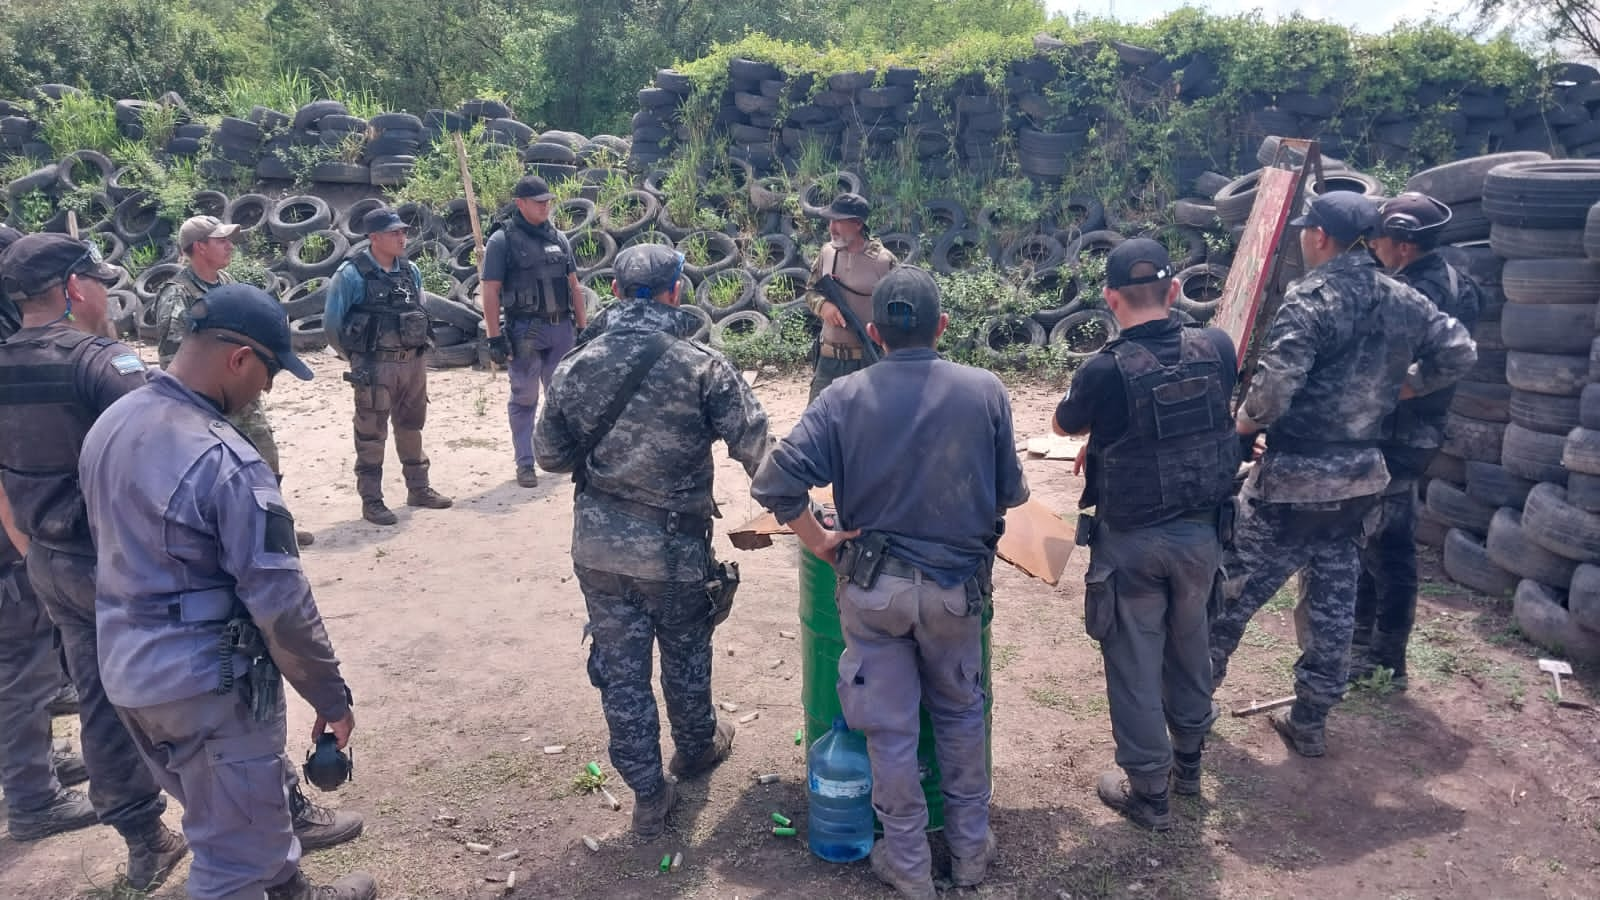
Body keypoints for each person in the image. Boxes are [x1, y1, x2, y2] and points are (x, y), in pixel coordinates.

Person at [80, 283, 377, 900]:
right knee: (233, 859)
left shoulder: (114, 421)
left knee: (238, 813)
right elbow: (283, 606)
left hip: (129, 668)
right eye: (268, 373)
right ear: (239, 358)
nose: (265, 391)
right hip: (205, 686)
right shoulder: (229, 464)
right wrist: (330, 696)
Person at [751, 266, 1028, 899]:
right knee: (960, 718)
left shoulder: (844, 396)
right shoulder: (984, 391)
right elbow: (1012, 492)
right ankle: (969, 853)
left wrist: (819, 542)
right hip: (957, 592)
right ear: (944, 327)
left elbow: (774, 483)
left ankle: (906, 865)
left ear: (874, 332)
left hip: (872, 593)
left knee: (890, 730)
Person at [1208, 193, 1476, 757]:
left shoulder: (1314, 298)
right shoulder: (1402, 298)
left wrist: (1242, 423)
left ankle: (1189, 710)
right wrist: (1404, 386)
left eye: (1308, 232)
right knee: (1333, 604)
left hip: (1292, 482)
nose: (1304, 239)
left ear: (1322, 237)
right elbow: (1459, 351)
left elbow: (1274, 392)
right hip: (1359, 479)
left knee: (1229, 597)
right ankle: (1310, 723)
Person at [534, 244, 771, 838]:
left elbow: (549, 456)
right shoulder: (703, 366)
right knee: (687, 655)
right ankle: (695, 750)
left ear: (612, 292)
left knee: (620, 673)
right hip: (674, 553)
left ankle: (646, 795)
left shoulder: (574, 365)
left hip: (599, 551)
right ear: (677, 292)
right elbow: (761, 454)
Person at [0, 233, 188, 891]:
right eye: (99, 282)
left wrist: (31, 550)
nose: (107, 293)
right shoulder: (102, 362)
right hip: (120, 565)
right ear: (75, 288)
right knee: (203, 689)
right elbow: (165, 462)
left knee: (99, 703)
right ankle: (270, 816)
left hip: (49, 562)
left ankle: (144, 842)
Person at [1051, 239, 1239, 829]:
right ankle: (1189, 766)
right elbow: (1196, 418)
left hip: (1131, 542)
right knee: (1190, 650)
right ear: (1175, 290)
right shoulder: (1218, 347)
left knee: (1133, 662)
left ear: (1109, 298)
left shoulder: (1105, 369)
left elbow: (1063, 422)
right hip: (1202, 537)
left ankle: (1150, 793)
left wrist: (1099, 435)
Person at [1354, 192, 1483, 689]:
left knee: (1387, 543)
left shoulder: (1415, 293)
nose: (1373, 247)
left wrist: (1394, 387)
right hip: (1418, 428)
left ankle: (1384, 659)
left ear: (1404, 245)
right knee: (1373, 536)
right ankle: (1364, 643)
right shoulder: (1458, 282)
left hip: (1401, 431)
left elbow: (1438, 361)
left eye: (1380, 239)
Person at [155, 215, 314, 548]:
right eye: (221, 241)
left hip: (244, 396)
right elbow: (174, 358)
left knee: (265, 459)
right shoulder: (178, 293)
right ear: (199, 247)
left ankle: (274, 525)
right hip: (209, 404)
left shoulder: (226, 282)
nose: (229, 246)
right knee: (218, 473)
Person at [323, 206, 453, 526]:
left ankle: (418, 488)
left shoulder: (410, 271)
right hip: (375, 367)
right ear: (374, 237)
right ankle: (372, 500)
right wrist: (355, 359)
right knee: (371, 433)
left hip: (412, 365)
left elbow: (419, 310)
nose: (401, 237)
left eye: (403, 232)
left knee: (411, 427)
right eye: (394, 232)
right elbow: (331, 325)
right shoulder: (351, 274)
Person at [482, 175, 588, 488]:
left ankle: (563, 456)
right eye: (538, 202)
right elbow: (490, 290)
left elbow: (574, 286)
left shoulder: (559, 238)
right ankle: (525, 463)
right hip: (525, 331)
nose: (545, 206)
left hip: (561, 329)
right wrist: (493, 337)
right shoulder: (502, 241)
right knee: (524, 398)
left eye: (548, 201)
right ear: (520, 203)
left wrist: (583, 328)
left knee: (562, 397)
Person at [803, 192, 897, 401]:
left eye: (838, 221)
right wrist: (823, 306)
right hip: (828, 361)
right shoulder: (827, 252)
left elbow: (898, 307)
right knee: (816, 426)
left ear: (857, 224)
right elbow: (810, 291)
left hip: (867, 361)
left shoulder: (883, 261)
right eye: (830, 221)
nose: (831, 228)